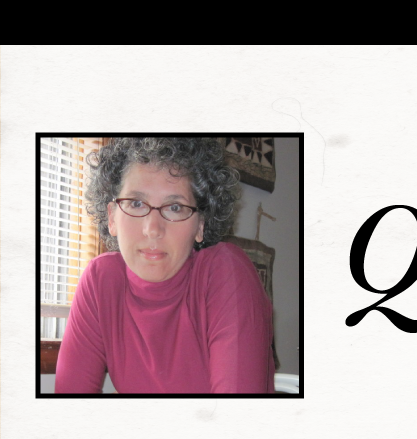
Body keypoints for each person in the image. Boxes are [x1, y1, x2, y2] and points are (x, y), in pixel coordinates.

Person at [55, 138, 275, 393]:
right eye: (136, 203)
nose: (153, 229)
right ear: (112, 217)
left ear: (200, 225)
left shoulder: (226, 272)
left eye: (175, 207)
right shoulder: (100, 280)